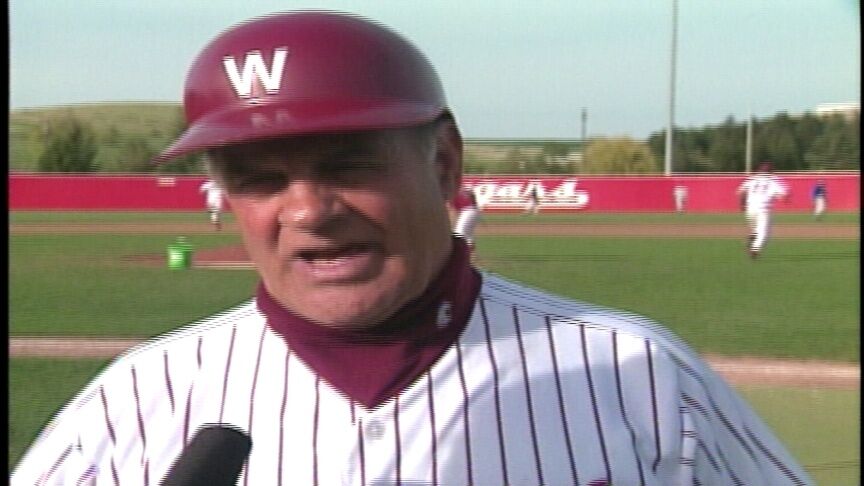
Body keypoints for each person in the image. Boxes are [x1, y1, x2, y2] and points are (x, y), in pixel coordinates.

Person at [12, 12, 813, 486]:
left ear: (445, 164)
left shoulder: (641, 377)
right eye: (260, 180)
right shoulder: (133, 407)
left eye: (348, 166)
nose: (309, 212)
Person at [736, 162, 789, 259]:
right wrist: (784, 198)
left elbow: (740, 191)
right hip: (763, 209)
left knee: (757, 229)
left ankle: (753, 235)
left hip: (750, 209)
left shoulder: (753, 179)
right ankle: (755, 249)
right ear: (771, 171)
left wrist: (742, 204)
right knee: (765, 233)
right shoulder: (773, 180)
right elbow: (784, 196)